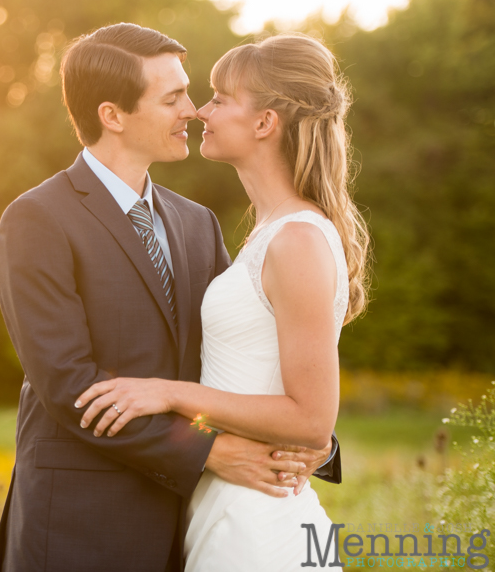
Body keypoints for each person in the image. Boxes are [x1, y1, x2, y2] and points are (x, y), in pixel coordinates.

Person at [0, 24, 340, 572]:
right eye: (173, 97)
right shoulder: (39, 218)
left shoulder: (195, 223)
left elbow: (228, 360)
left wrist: (307, 440)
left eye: (195, 94)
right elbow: (69, 385)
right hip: (81, 520)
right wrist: (214, 452)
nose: (194, 110)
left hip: (186, 521)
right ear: (113, 115)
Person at [75, 33, 368, 570]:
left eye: (220, 97)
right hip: (226, 502)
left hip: (257, 524)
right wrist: (208, 445)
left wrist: (166, 393)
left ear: (264, 123)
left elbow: (310, 422)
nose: (200, 110)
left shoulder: (297, 239)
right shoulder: (267, 233)